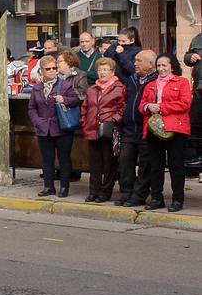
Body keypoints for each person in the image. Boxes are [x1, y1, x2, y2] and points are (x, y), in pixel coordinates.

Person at [140, 54, 191, 212]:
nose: (161, 69)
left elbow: (185, 103)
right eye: (158, 66)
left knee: (176, 165)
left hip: (175, 128)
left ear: (172, 66)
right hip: (154, 129)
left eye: (164, 65)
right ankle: (156, 198)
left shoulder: (182, 82)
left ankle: (177, 199)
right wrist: (149, 106)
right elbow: (141, 105)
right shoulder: (150, 84)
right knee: (156, 165)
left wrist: (161, 107)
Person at [28, 55, 81, 197]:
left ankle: (64, 187)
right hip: (44, 129)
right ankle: (48, 186)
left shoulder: (65, 85)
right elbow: (32, 108)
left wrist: (65, 99)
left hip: (62, 128)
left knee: (64, 159)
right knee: (47, 160)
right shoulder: (37, 88)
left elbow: (76, 100)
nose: (52, 71)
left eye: (54, 68)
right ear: (42, 71)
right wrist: (37, 122)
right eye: (48, 69)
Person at [80, 57, 126, 204]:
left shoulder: (119, 88)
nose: (102, 73)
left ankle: (105, 191)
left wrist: (113, 120)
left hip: (108, 130)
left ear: (112, 72)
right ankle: (93, 191)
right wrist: (84, 121)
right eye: (99, 70)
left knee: (109, 163)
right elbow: (85, 107)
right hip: (92, 128)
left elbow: (122, 107)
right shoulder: (92, 89)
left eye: (105, 70)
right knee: (94, 164)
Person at [117, 49, 157, 207]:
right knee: (124, 161)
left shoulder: (155, 81)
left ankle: (139, 195)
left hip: (147, 129)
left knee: (145, 165)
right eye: (135, 60)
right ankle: (127, 192)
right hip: (129, 128)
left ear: (150, 64)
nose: (135, 63)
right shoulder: (132, 79)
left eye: (139, 61)